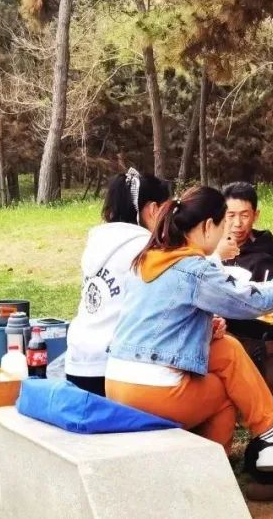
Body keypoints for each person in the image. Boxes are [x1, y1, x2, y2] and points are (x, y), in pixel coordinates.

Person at [105, 185, 273, 471]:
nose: (225, 233)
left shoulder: (148, 258)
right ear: (209, 225)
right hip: (153, 391)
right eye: (223, 225)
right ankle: (211, 476)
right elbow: (247, 302)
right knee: (225, 394)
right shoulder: (193, 268)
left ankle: (271, 436)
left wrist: (204, 328)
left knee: (226, 347)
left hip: (116, 383)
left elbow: (158, 321)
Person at [64, 168, 172, 396]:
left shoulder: (96, 241)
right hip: (114, 369)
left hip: (77, 362)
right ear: (153, 209)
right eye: (167, 210)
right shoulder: (145, 248)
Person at [213, 182, 273, 282]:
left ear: (255, 216)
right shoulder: (213, 247)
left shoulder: (266, 261)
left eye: (244, 216)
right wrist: (216, 256)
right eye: (231, 215)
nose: (237, 223)